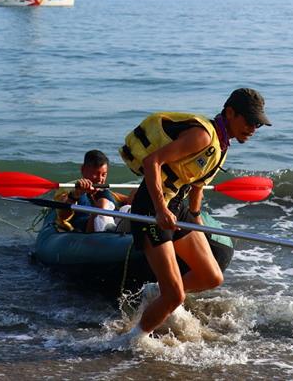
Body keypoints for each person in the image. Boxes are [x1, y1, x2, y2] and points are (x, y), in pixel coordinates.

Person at [118, 88, 271, 342]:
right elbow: (152, 162)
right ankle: (132, 340)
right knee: (175, 296)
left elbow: (197, 184)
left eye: (258, 124)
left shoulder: (222, 143)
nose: (254, 128)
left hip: (178, 206)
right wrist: (159, 209)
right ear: (230, 113)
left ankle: (157, 291)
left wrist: (196, 217)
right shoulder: (202, 135)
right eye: (250, 121)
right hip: (152, 207)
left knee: (211, 276)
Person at [54, 150, 132, 233]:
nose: (100, 179)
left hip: (114, 230)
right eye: (95, 173)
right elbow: (62, 216)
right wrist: (74, 196)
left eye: (103, 175)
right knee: (103, 202)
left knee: (128, 205)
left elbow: (127, 199)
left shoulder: (104, 191)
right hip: (87, 233)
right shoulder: (69, 189)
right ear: (83, 170)